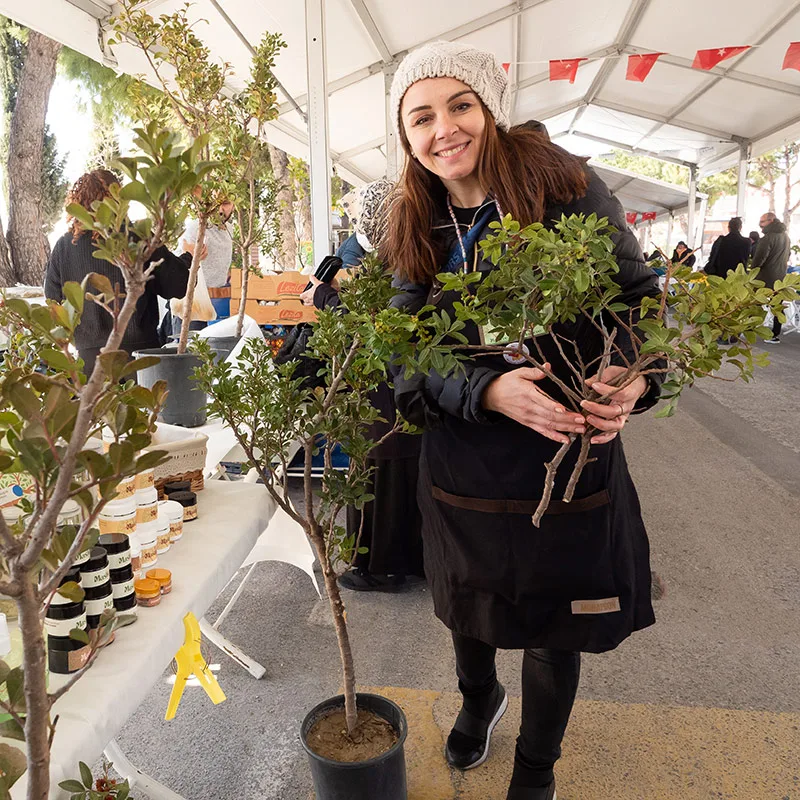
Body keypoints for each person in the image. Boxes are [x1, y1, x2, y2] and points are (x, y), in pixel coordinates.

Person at [382, 41, 664, 800]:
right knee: (468, 605)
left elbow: (639, 298)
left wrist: (633, 374)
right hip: (464, 461)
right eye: (422, 116)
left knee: (553, 623)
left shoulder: (563, 186)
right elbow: (399, 351)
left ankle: (537, 766)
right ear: (405, 135)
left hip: (566, 454)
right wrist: (486, 390)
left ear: (489, 110)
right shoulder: (412, 219)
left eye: (460, 106)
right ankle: (479, 699)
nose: (445, 129)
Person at [300, 180, 424, 591]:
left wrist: (324, 298)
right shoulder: (414, 250)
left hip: (386, 383)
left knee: (380, 466)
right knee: (403, 467)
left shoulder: (399, 258)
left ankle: (381, 567)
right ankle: (414, 558)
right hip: (413, 384)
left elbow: (369, 329)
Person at [44, 169, 194, 376]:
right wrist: (188, 260)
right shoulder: (137, 236)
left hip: (90, 360)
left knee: (99, 409)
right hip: (140, 357)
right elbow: (177, 285)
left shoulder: (64, 246)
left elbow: (53, 301)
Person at [170, 199, 235, 337]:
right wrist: (191, 252)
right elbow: (180, 257)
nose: (221, 210)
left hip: (218, 303)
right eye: (218, 203)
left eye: (226, 204)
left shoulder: (230, 229)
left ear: (233, 205)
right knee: (189, 351)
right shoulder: (197, 227)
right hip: (194, 304)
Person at [752, 211, 791, 343]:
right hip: (780, 277)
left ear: (771, 221)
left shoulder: (767, 238)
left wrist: (752, 271)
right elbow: (788, 255)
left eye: (762, 222)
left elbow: (759, 259)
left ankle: (750, 328)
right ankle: (775, 333)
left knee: (752, 302)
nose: (760, 224)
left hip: (764, 277)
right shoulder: (786, 237)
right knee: (777, 306)